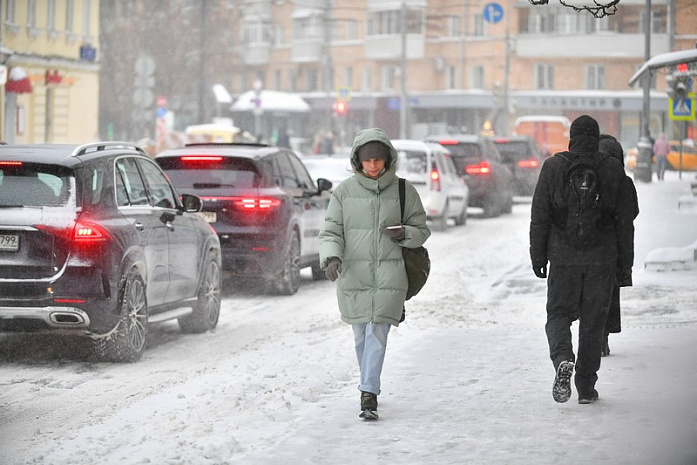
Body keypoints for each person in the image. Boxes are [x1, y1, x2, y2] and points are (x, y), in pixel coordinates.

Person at [319, 127, 430, 420]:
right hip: (354, 274)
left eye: (378, 160)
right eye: (367, 161)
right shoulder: (343, 192)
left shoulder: (404, 190)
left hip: (391, 275)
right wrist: (331, 256)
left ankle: (368, 395)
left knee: (377, 333)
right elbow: (331, 230)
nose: (373, 166)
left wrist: (404, 232)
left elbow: (422, 230)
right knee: (360, 337)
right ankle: (368, 384)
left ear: (387, 159)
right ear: (357, 160)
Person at [529, 115, 630, 405]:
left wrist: (538, 255)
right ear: (596, 138)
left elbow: (540, 216)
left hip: (563, 257)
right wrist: (625, 264)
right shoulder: (612, 169)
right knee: (593, 322)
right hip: (602, 258)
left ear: (571, 137)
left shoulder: (553, 166)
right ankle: (586, 387)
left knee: (558, 315)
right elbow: (624, 222)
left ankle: (562, 357)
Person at [598, 134, 640, 356]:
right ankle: (603, 337)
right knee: (610, 294)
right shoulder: (625, 183)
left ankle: (594, 337)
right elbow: (633, 212)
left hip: (594, 247)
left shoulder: (592, 181)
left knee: (592, 295)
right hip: (616, 249)